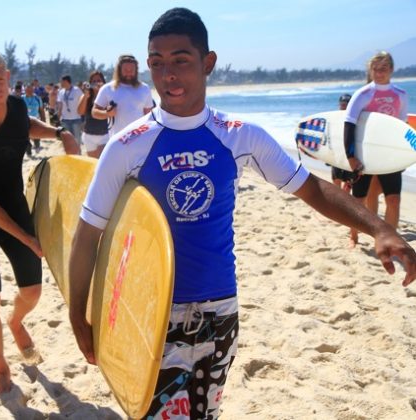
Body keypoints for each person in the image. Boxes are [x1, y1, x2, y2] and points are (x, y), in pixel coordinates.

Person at [68, 8, 416, 419]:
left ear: (208, 63)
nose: (168, 75)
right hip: (151, 308)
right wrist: (78, 313)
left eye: (181, 60)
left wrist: (378, 227)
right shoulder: (127, 145)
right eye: (158, 63)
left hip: (220, 311)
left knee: (205, 413)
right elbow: (88, 233)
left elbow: (312, 187)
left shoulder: (238, 135)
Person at [0, 49, 80, 394]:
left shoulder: (19, 107)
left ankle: (16, 321)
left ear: (7, 76)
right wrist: (26, 238)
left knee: (33, 290)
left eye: (0, 79)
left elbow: (25, 128)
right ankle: (1, 368)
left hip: (15, 204)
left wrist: (59, 132)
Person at [344, 51, 409, 247]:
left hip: (389, 157)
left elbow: (402, 129)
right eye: (375, 69)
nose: (379, 73)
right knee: (359, 200)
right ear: (370, 70)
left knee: (394, 200)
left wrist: (402, 158)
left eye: (384, 68)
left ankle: (390, 241)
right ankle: (353, 236)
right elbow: (349, 125)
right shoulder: (363, 94)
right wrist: (351, 156)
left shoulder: (400, 95)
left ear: (391, 69)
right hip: (365, 156)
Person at [92, 54, 154, 137]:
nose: (129, 72)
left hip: (140, 138)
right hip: (117, 140)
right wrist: (107, 113)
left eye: (131, 70)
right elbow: (94, 112)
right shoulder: (107, 88)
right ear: (119, 70)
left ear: (136, 70)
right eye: (125, 70)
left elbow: (149, 116)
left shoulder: (144, 88)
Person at [77, 71, 109, 158]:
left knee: (102, 161)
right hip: (89, 135)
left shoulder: (108, 95)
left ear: (103, 82)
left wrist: (102, 90)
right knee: (94, 163)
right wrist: (85, 95)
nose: (96, 83)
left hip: (105, 134)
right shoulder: (87, 96)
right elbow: (80, 112)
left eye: (98, 80)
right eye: (93, 81)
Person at [331, 93, 354, 190]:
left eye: (347, 104)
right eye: (342, 104)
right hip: (337, 154)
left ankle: (344, 201)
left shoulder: (354, 119)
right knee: (336, 180)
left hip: (350, 154)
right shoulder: (334, 118)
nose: (344, 106)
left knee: (349, 183)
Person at [57, 75, 83, 144]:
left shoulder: (77, 90)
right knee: (68, 140)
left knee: (77, 140)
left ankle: (78, 154)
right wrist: (58, 116)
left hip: (76, 119)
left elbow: (83, 102)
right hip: (65, 120)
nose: (60, 83)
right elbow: (60, 105)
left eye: (61, 82)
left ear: (66, 81)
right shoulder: (61, 92)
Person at [22, 83, 46, 155]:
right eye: (27, 90)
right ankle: (29, 151)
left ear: (33, 90)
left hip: (36, 120)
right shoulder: (22, 98)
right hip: (24, 120)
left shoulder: (37, 98)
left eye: (31, 90)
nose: (29, 91)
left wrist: (43, 121)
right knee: (26, 138)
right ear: (25, 90)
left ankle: (37, 145)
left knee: (36, 135)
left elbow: (41, 110)